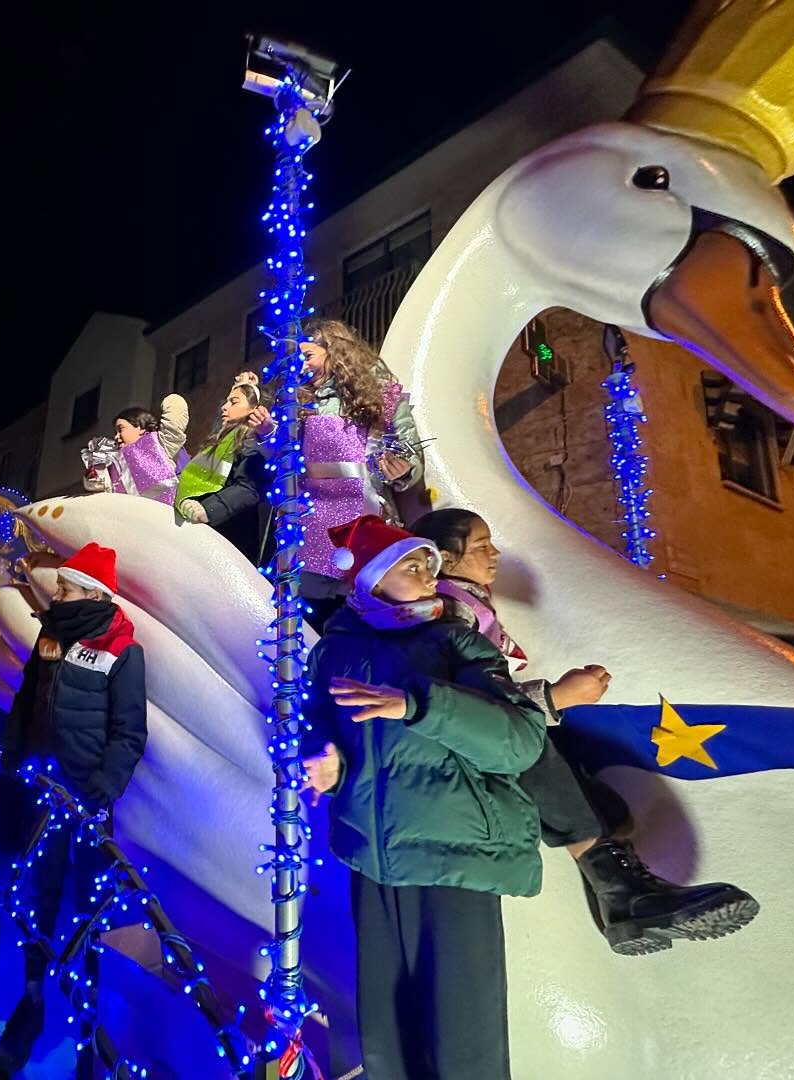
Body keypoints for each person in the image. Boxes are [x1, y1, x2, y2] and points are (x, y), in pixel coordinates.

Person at [411, 507, 759, 954]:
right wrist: (554, 696)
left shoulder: (469, 602)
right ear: (445, 558)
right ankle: (623, 895)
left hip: (490, 729)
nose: (494, 553)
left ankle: (621, 887)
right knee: (533, 746)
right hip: (473, 737)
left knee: (579, 773)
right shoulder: (449, 609)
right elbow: (473, 696)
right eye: (480, 546)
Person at [300, 513, 545, 1080]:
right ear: (368, 580)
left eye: (430, 563)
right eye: (411, 564)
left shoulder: (456, 642)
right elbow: (316, 726)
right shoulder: (331, 653)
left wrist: (416, 704)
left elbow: (519, 740)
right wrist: (324, 759)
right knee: (386, 1041)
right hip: (373, 862)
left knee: (466, 1044)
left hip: (453, 857)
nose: (428, 574)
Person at [0, 542, 148, 1070]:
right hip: (39, 795)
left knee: (88, 914)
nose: (55, 593)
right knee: (38, 901)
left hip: (85, 805)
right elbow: (25, 701)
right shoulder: (51, 634)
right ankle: (32, 1001)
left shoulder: (123, 648)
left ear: (91, 593)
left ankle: (88, 1029)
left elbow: (129, 732)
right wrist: (11, 758)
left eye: (64, 586)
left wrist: (100, 790)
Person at [296, 318, 425, 629]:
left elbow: (411, 449)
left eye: (308, 356)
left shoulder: (382, 396)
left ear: (334, 352)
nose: (301, 367)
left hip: (366, 527)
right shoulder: (296, 405)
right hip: (310, 537)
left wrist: (402, 468)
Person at [176, 373, 274, 559]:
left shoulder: (251, 440)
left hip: (231, 538)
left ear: (255, 409)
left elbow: (249, 487)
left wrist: (209, 510)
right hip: (210, 531)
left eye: (233, 402)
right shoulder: (223, 439)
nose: (224, 406)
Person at [82, 395, 191, 505]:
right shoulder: (115, 463)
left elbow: (174, 422)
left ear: (141, 427)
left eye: (121, 429)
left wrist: (172, 399)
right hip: (133, 519)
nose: (116, 436)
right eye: (115, 432)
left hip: (165, 516)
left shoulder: (159, 443)